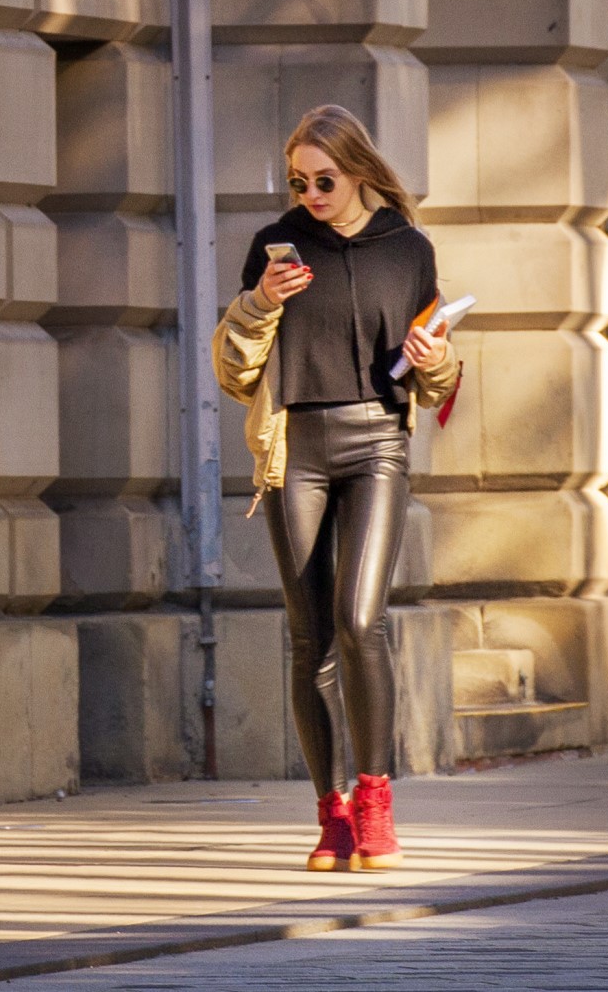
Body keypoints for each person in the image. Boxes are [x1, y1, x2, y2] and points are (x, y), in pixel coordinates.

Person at [213, 105, 460, 872]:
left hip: (377, 445)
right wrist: (262, 300)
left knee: (361, 617)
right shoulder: (276, 247)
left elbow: (436, 380)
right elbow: (234, 372)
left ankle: (377, 800)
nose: (311, 195)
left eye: (324, 180)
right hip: (298, 451)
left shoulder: (407, 249)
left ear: (357, 171)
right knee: (311, 633)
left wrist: (433, 358)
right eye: (298, 182)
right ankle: (334, 815)